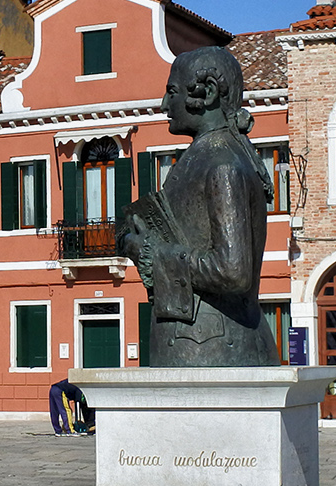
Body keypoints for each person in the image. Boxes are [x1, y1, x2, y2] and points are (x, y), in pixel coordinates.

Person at [118, 46, 276, 368]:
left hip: (214, 348)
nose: (164, 105)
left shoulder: (223, 165)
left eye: (172, 92)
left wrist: (150, 252)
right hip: (197, 346)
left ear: (208, 93)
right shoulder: (204, 157)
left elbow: (233, 272)